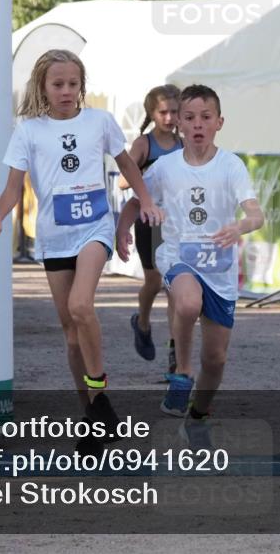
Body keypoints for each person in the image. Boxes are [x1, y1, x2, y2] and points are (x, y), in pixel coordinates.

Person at [0, 49, 164, 432]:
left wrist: (146, 200)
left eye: (73, 84)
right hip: (54, 237)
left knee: (81, 305)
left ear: (82, 86)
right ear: (43, 87)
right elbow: (13, 187)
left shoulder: (100, 121)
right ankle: (94, 414)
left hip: (94, 228)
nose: (66, 91)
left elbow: (127, 164)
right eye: (58, 84)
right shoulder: (28, 131)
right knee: (70, 335)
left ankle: (99, 391)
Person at [116, 84, 263, 449]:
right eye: (190, 117)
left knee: (216, 360)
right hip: (178, 256)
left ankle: (197, 418)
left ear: (219, 122)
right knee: (186, 302)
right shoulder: (165, 167)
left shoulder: (231, 165)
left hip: (220, 268)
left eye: (205, 117)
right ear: (179, 124)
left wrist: (240, 226)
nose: (198, 124)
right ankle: (182, 372)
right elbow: (136, 201)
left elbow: (256, 214)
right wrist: (122, 231)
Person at [118, 85, 182, 368]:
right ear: (151, 113)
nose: (169, 118)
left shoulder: (184, 144)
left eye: (174, 112)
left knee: (174, 286)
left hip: (176, 223)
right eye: (163, 112)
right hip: (149, 222)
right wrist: (149, 179)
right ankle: (142, 321)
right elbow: (123, 182)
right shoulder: (144, 144)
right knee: (154, 282)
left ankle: (175, 351)